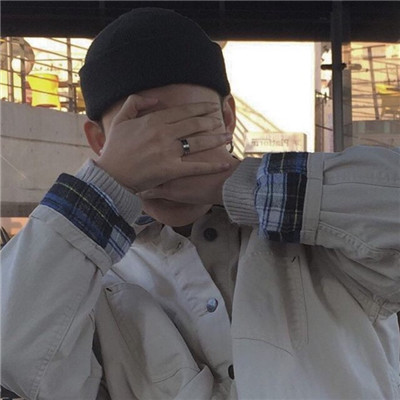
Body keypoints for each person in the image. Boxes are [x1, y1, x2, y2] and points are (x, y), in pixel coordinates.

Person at [1, 7, 399, 400]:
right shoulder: (83, 275)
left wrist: (238, 184)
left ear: (227, 118)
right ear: (100, 142)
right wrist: (106, 185)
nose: (169, 153)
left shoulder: (323, 228)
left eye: (189, 127)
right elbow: (15, 358)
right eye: (141, 136)